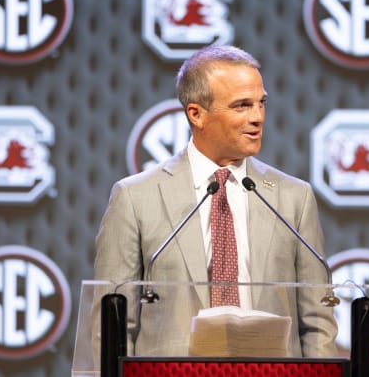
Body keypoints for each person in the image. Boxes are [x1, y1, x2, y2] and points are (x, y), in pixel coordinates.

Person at [93, 44, 337, 358]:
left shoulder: (293, 197)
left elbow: (318, 320)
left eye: (261, 103)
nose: (258, 117)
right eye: (242, 106)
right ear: (197, 114)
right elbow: (111, 325)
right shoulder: (135, 197)